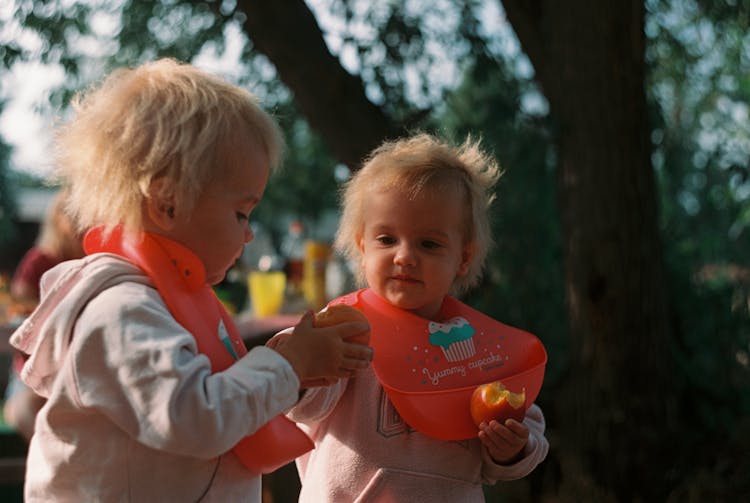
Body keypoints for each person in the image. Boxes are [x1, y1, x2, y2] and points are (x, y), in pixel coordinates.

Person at [9, 58, 372, 502]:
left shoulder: (164, 300)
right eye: (241, 212)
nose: (249, 232)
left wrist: (285, 360)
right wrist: (288, 367)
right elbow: (192, 416)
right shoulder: (121, 312)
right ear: (167, 203)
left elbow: (210, 392)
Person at [283, 133, 549, 501]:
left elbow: (526, 423)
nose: (405, 256)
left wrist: (513, 449)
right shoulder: (344, 326)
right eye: (387, 239)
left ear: (464, 258)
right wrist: (298, 365)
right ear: (362, 247)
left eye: (429, 244)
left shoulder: (479, 344)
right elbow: (303, 407)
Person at [4, 188, 85, 441]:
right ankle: (59, 466)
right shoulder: (40, 261)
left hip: (78, 371)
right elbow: (17, 315)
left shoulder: (96, 263)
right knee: (25, 409)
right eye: (78, 217)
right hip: (37, 372)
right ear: (60, 219)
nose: (85, 226)